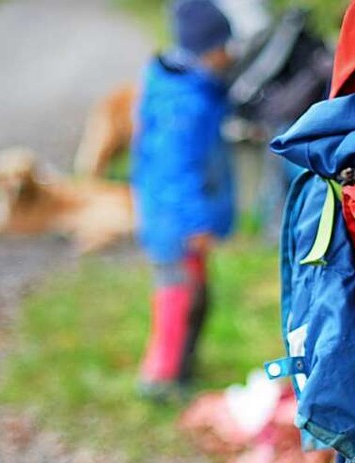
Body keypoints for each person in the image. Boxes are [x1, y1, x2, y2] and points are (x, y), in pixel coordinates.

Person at [131, 0, 236, 399]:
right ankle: (160, 380)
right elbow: (176, 172)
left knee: (196, 296)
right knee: (178, 298)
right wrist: (194, 225)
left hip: (173, 219)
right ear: (207, 50)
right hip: (175, 224)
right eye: (226, 45)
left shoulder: (188, 88)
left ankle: (182, 369)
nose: (232, 54)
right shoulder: (184, 103)